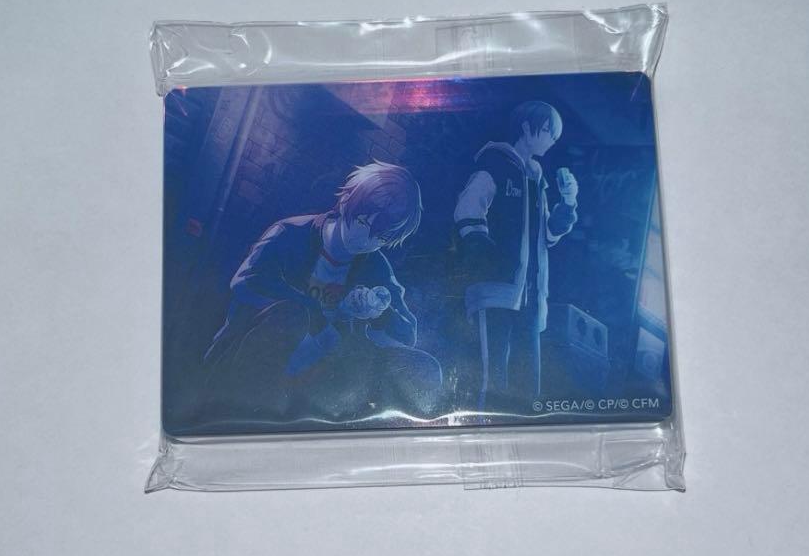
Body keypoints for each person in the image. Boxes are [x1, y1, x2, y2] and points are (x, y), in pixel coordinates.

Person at [203, 160, 441, 425]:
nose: (367, 240)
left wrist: (378, 313)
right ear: (346, 202)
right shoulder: (291, 233)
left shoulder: (375, 266)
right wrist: (319, 310)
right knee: (292, 316)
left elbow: (407, 333)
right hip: (255, 363)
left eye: (381, 238)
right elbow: (246, 282)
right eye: (363, 222)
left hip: (324, 379)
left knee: (423, 367)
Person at [453, 101, 579, 409]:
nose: (551, 140)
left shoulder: (538, 179)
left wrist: (568, 201)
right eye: (548, 131)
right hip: (496, 290)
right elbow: (468, 209)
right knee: (492, 377)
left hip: (531, 298)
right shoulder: (496, 164)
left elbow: (548, 236)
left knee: (528, 388)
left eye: (555, 135)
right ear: (526, 127)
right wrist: (486, 255)